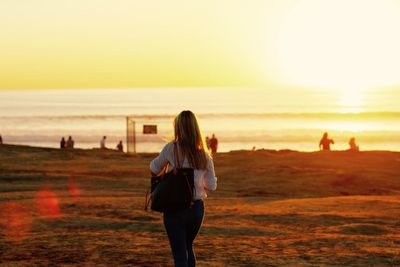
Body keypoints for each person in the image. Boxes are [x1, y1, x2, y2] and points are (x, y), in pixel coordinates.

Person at [150, 110, 217, 267]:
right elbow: (212, 186)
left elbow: (153, 168)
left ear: (178, 128)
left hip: (174, 208)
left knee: (180, 254)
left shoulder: (171, 149)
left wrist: (168, 171)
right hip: (197, 210)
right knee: (187, 246)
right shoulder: (204, 155)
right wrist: (198, 183)